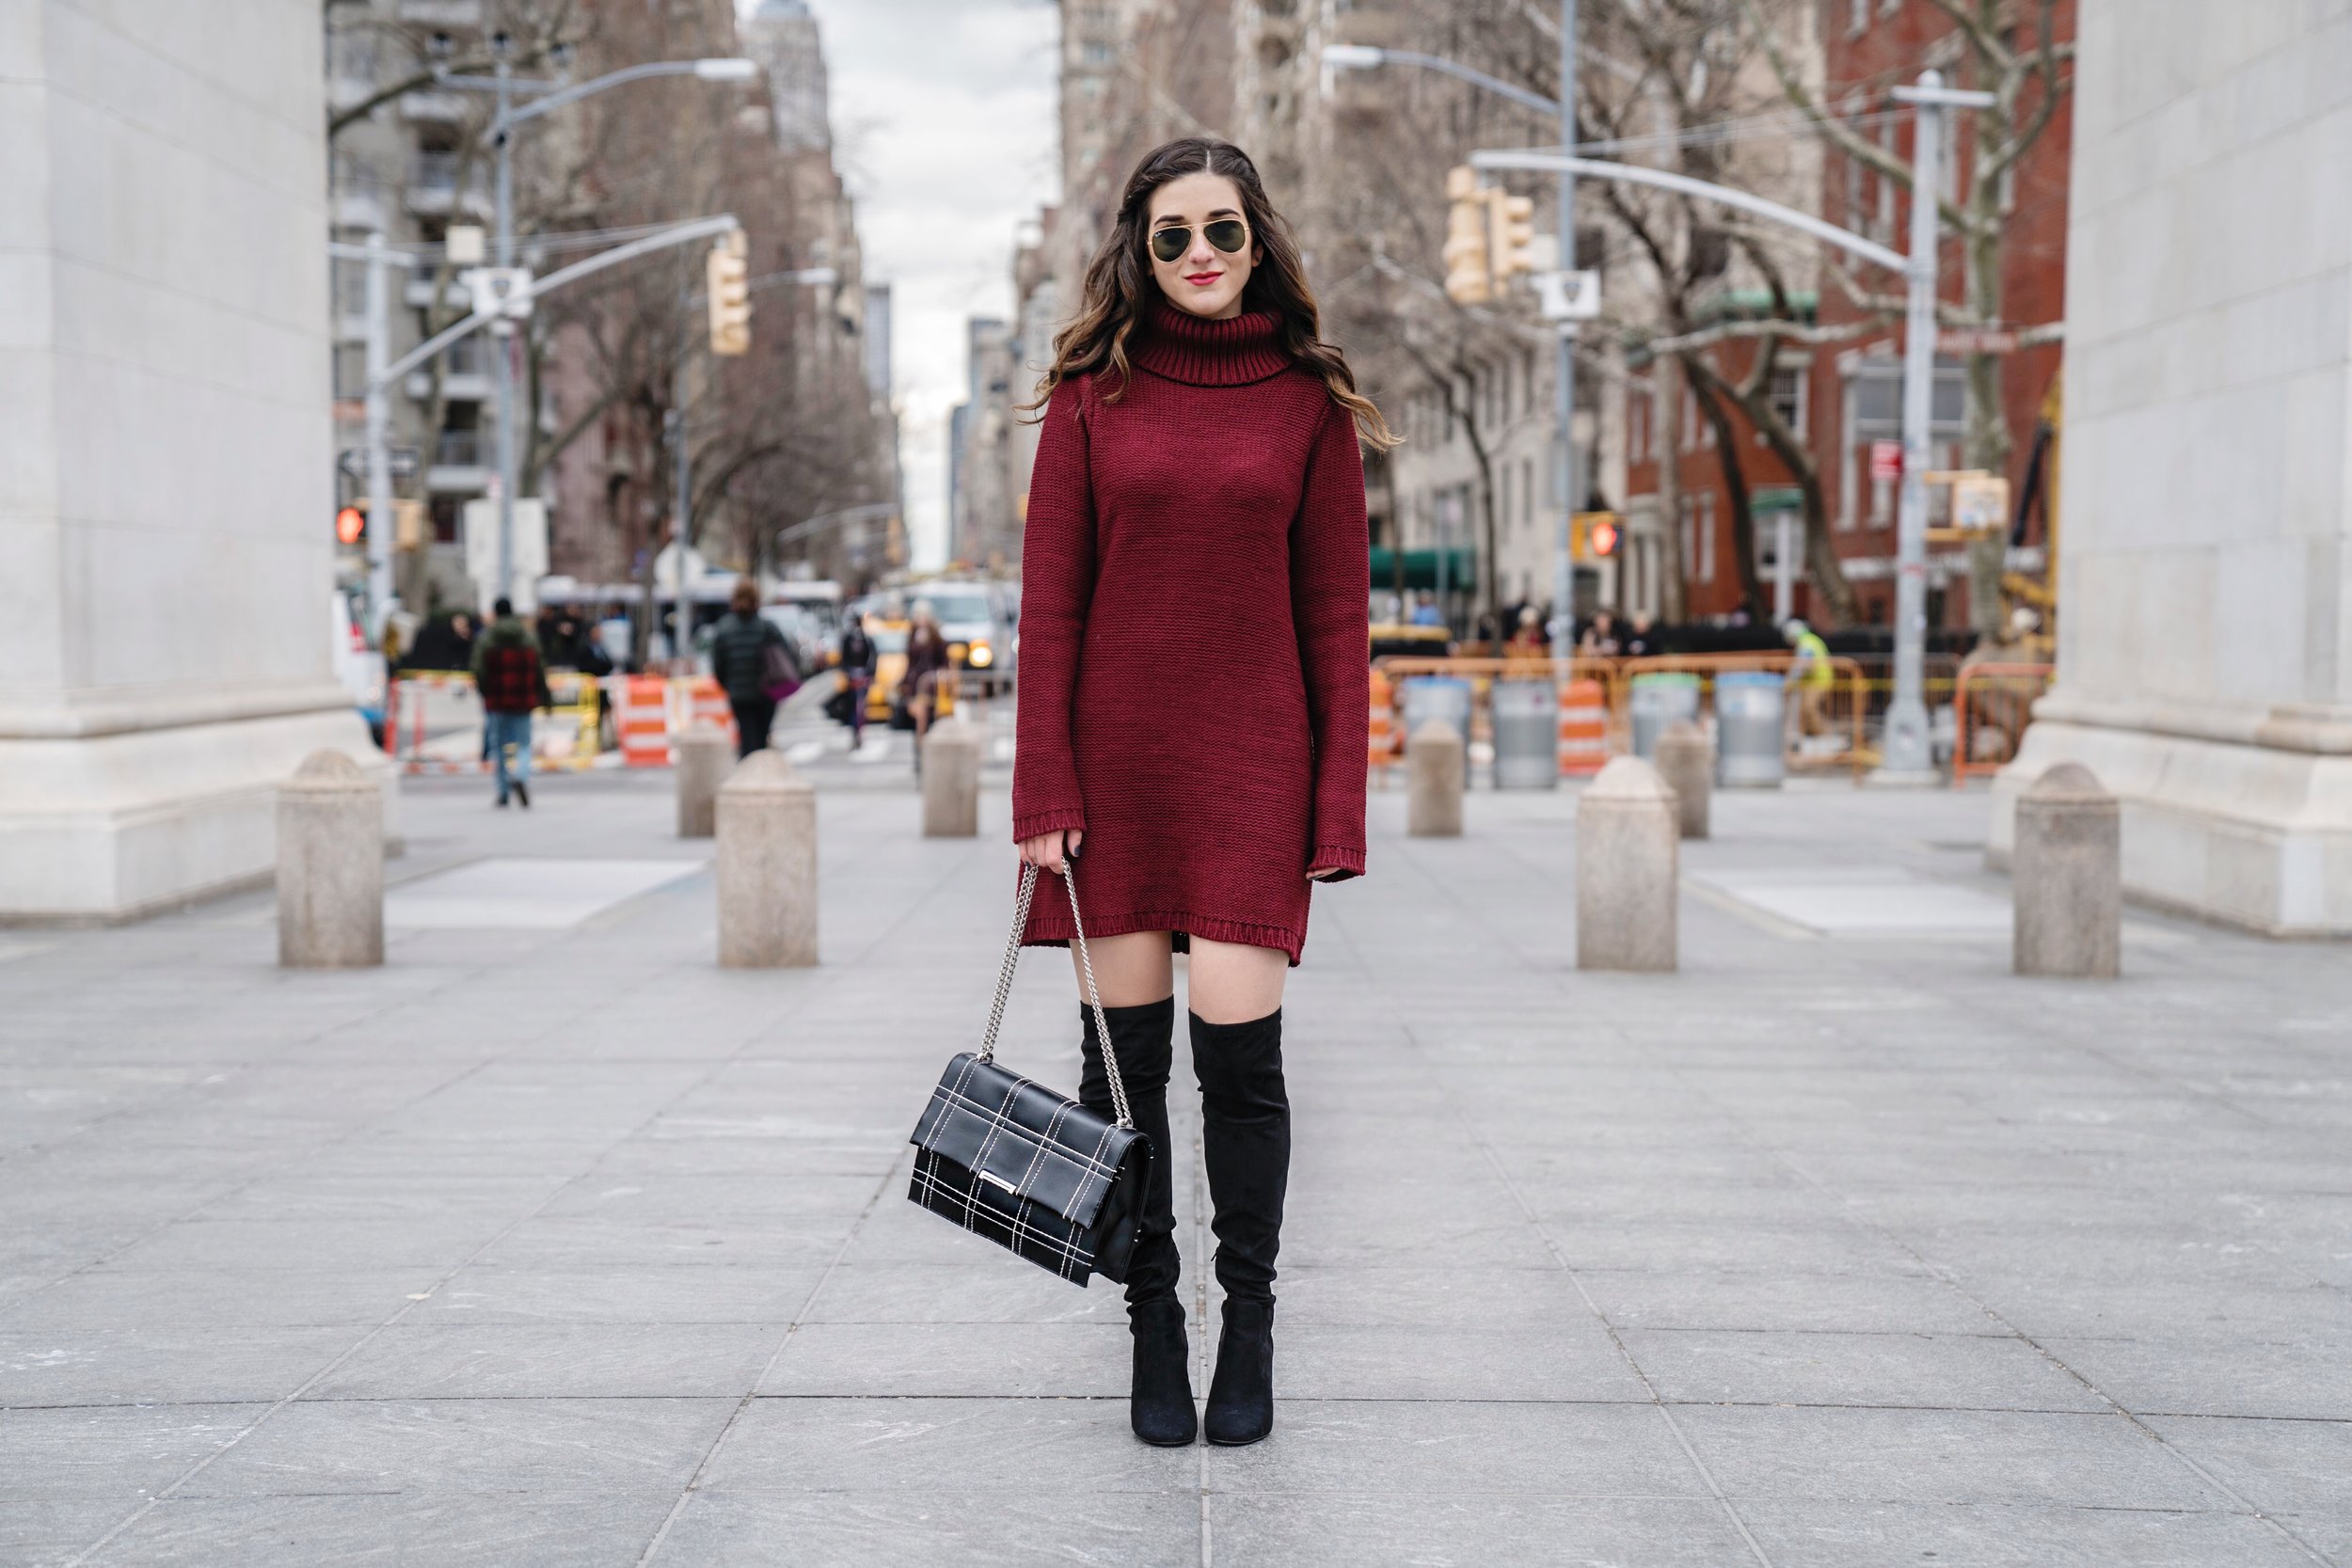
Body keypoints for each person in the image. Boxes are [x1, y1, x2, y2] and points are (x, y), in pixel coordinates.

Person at [1012, 135, 1386, 1450]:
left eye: (1220, 228)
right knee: (1127, 1080)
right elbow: (1049, 608)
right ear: (1138, 250)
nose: (1200, 255)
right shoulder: (1087, 398)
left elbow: (1336, 619)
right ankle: (1153, 1323)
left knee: (1241, 1070)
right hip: (1112, 774)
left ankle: (1253, 1323)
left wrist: (1332, 810)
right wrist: (1041, 790)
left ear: (1256, 233)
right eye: (1171, 236)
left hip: (1249, 768)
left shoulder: (1305, 401)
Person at [470, 596, 550, 808]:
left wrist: (485, 691)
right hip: (523, 698)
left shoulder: (487, 638)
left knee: (499, 747)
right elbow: (539, 668)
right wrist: (544, 695)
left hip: (496, 700)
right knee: (524, 744)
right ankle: (521, 776)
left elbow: (478, 669)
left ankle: (503, 790)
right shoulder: (528, 636)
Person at [708, 579, 798, 757]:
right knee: (761, 737)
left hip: (739, 695)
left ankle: (746, 772)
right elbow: (788, 658)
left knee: (746, 737)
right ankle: (759, 774)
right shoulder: (767, 627)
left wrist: (730, 685)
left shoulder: (724, 628)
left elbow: (718, 666)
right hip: (766, 694)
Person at [900, 602, 950, 771]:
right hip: (916, 683)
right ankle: (919, 754)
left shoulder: (936, 636)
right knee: (917, 719)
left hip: (931, 684)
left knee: (929, 719)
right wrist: (904, 682)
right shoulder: (912, 634)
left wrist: (941, 677)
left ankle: (929, 754)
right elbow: (909, 661)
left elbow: (943, 661)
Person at [1785, 617, 1834, 739]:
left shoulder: (1806, 643)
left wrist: (1790, 681)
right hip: (1815, 680)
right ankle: (1802, 738)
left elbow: (1802, 666)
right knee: (1802, 711)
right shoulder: (1811, 640)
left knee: (1808, 708)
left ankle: (1826, 735)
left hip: (1819, 680)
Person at [837, 613, 878, 751]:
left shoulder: (867, 639)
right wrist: (847, 673)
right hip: (852, 678)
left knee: (861, 707)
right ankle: (855, 731)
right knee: (853, 707)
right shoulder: (848, 639)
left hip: (863, 677)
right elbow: (843, 658)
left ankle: (860, 730)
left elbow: (872, 657)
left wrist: (870, 674)